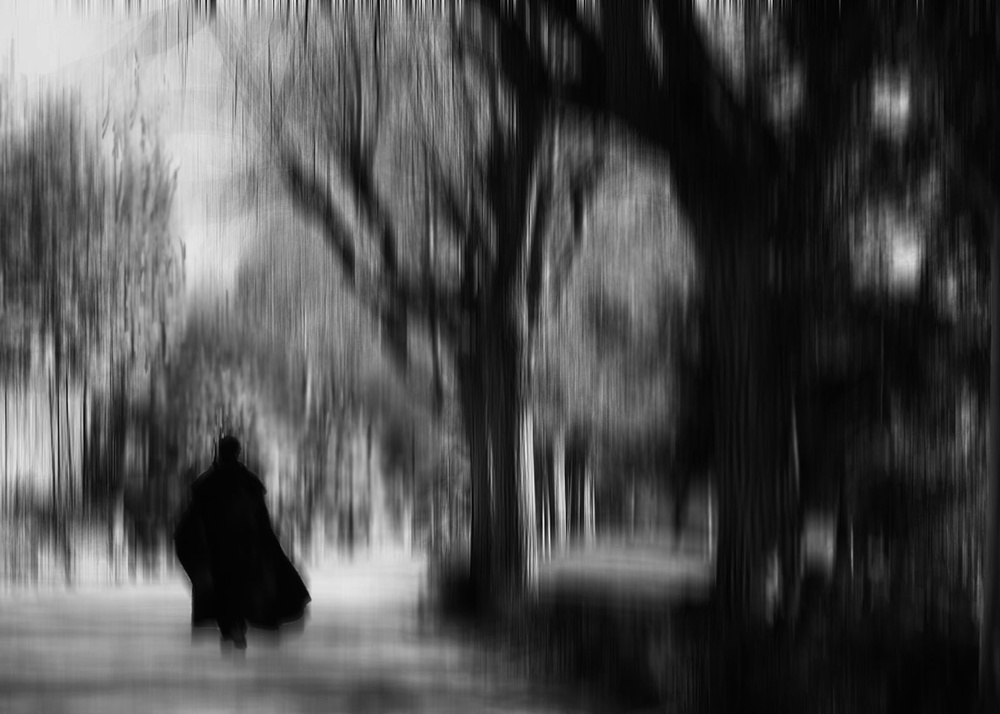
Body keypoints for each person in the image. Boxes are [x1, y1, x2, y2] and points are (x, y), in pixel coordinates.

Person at [174, 436, 310, 649]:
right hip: (230, 548)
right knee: (232, 587)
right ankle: (233, 627)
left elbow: (193, 520)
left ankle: (232, 627)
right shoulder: (240, 482)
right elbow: (260, 519)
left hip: (229, 548)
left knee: (231, 587)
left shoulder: (214, 483)